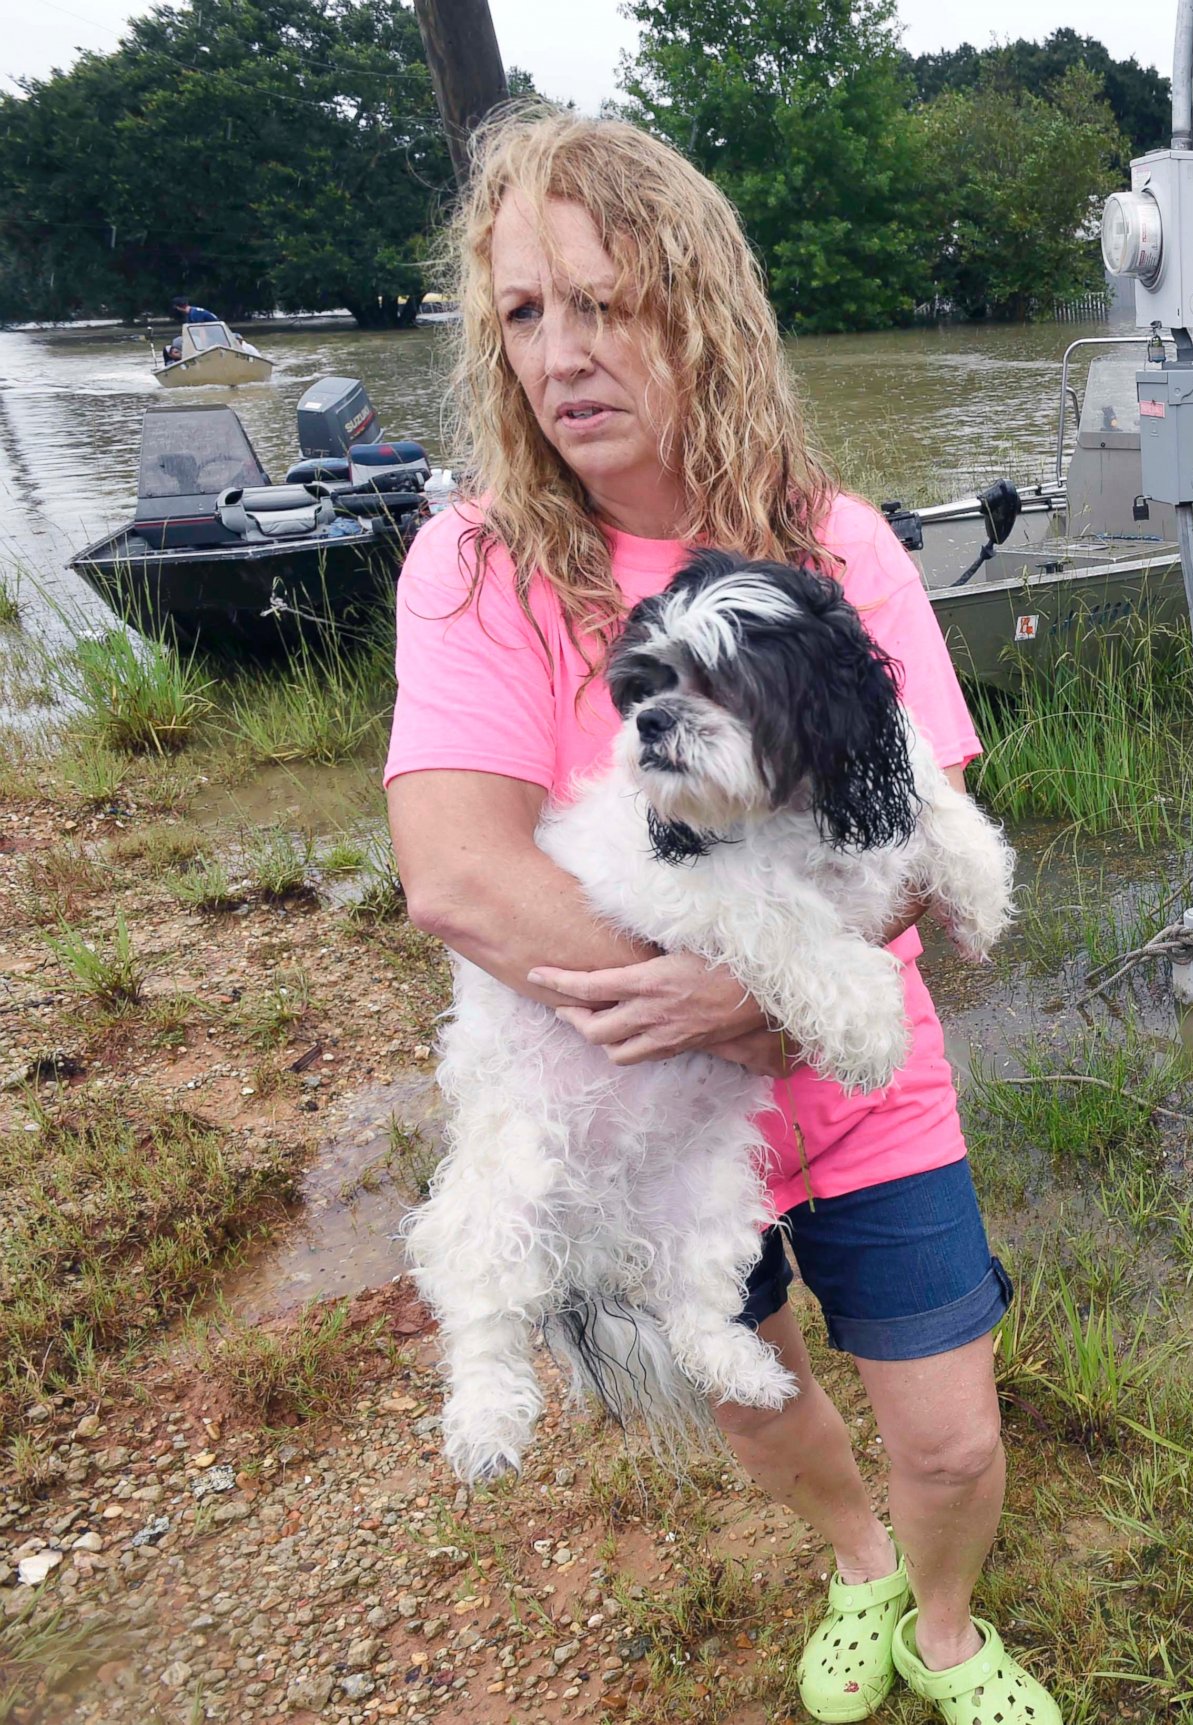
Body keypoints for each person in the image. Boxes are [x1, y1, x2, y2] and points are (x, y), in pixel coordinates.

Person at [384, 109, 1058, 1724]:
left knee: (952, 1431)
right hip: (638, 1092)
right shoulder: (473, 562)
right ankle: (854, 1564)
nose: (562, 356)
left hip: (860, 1073)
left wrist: (763, 1009)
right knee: (747, 1393)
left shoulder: (840, 547)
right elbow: (460, 874)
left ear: (698, 308)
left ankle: (947, 1624)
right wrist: (706, 1006)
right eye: (523, 316)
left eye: (601, 303)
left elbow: (916, 833)